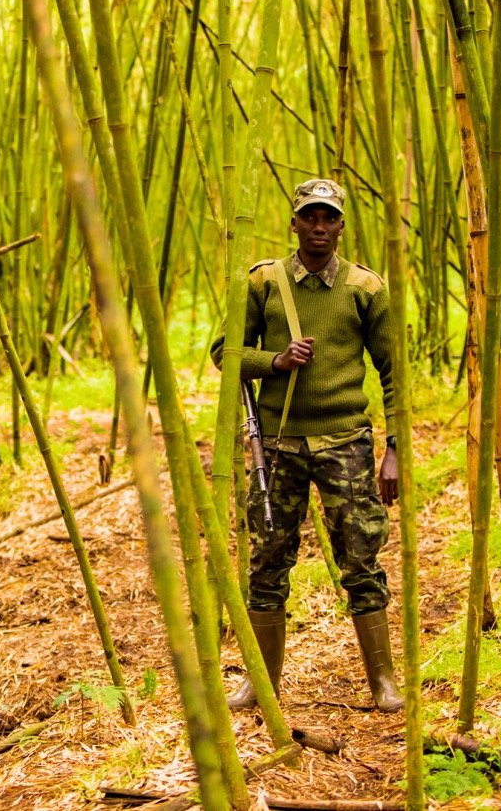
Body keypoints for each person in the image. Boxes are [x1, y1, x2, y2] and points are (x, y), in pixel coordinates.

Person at [211, 177, 404, 713]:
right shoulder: (264, 284)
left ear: (342, 225)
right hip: (276, 445)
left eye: (329, 218)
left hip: (346, 441)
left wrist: (395, 449)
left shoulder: (366, 289)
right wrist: (274, 360)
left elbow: (394, 373)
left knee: (361, 558)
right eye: (309, 218)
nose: (319, 228)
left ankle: (383, 681)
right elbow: (224, 352)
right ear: (294, 223)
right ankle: (261, 684)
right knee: (268, 561)